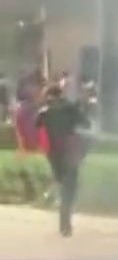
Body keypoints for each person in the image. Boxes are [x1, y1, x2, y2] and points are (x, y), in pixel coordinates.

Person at [36, 84, 89, 236]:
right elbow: (86, 123)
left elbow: (37, 127)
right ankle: (65, 221)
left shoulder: (45, 112)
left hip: (54, 155)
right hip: (68, 153)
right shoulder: (70, 109)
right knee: (70, 187)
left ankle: (64, 221)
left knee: (64, 186)